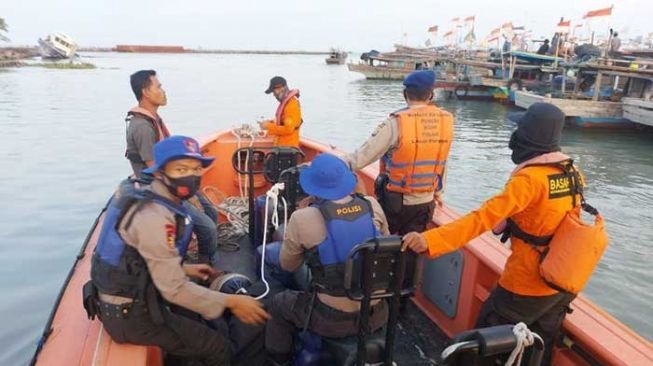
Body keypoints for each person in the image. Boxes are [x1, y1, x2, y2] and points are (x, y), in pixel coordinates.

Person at [401, 103, 581, 366]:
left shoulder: (528, 181)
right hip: (562, 282)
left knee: (480, 344)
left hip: (525, 284)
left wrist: (430, 239)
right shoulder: (572, 173)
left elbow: (482, 219)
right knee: (539, 348)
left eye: (521, 128)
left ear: (530, 135)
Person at [86, 136, 270, 366]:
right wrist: (232, 302)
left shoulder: (153, 195)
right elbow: (174, 290)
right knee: (217, 347)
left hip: (140, 293)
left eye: (196, 168)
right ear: (160, 172)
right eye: (181, 169)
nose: (191, 176)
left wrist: (186, 268)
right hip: (131, 313)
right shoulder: (154, 216)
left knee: (205, 322)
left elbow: (139, 257)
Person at [264, 153, 390, 365]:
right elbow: (384, 244)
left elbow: (288, 265)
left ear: (312, 187)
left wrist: (300, 218)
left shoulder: (302, 217)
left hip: (329, 320)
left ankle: (279, 359)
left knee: (278, 303)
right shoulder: (372, 206)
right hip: (376, 313)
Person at [344, 70, 454, 235]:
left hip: (396, 204)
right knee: (412, 249)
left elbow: (361, 158)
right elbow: (441, 160)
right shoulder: (446, 121)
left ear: (405, 94)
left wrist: (335, 163)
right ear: (431, 95)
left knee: (388, 248)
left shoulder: (396, 123)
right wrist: (438, 193)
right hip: (426, 203)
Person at [126, 69, 218, 264]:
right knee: (207, 227)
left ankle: (205, 256)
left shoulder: (153, 120)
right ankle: (204, 266)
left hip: (172, 181)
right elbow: (156, 169)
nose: (163, 90)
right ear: (146, 92)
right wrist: (187, 196)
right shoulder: (142, 127)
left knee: (211, 211)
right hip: (159, 189)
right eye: (158, 86)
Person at [258, 76, 303, 148]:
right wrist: (269, 122)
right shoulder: (286, 103)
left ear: (281, 89)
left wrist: (268, 126)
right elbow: (282, 122)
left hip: (288, 150)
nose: (273, 94)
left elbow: (288, 129)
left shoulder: (291, 105)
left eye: (274, 91)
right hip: (281, 147)